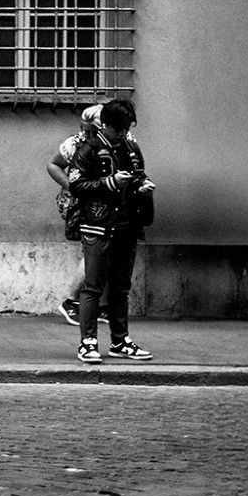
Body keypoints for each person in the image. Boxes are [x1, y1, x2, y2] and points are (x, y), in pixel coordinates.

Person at [63, 97, 155, 363]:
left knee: (120, 288)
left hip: (128, 225)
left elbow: (140, 174)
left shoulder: (130, 147)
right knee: (92, 287)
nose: (123, 134)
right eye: (118, 129)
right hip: (97, 225)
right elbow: (76, 184)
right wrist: (110, 183)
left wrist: (142, 185)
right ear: (105, 125)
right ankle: (88, 342)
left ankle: (120, 341)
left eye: (126, 128)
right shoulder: (88, 148)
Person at [46, 103, 105, 324]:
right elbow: (53, 164)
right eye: (84, 129)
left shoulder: (118, 139)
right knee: (94, 250)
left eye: (92, 131)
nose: (87, 135)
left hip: (105, 204)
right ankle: (71, 302)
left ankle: (93, 305)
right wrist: (72, 187)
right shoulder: (75, 143)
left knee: (100, 251)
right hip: (83, 204)